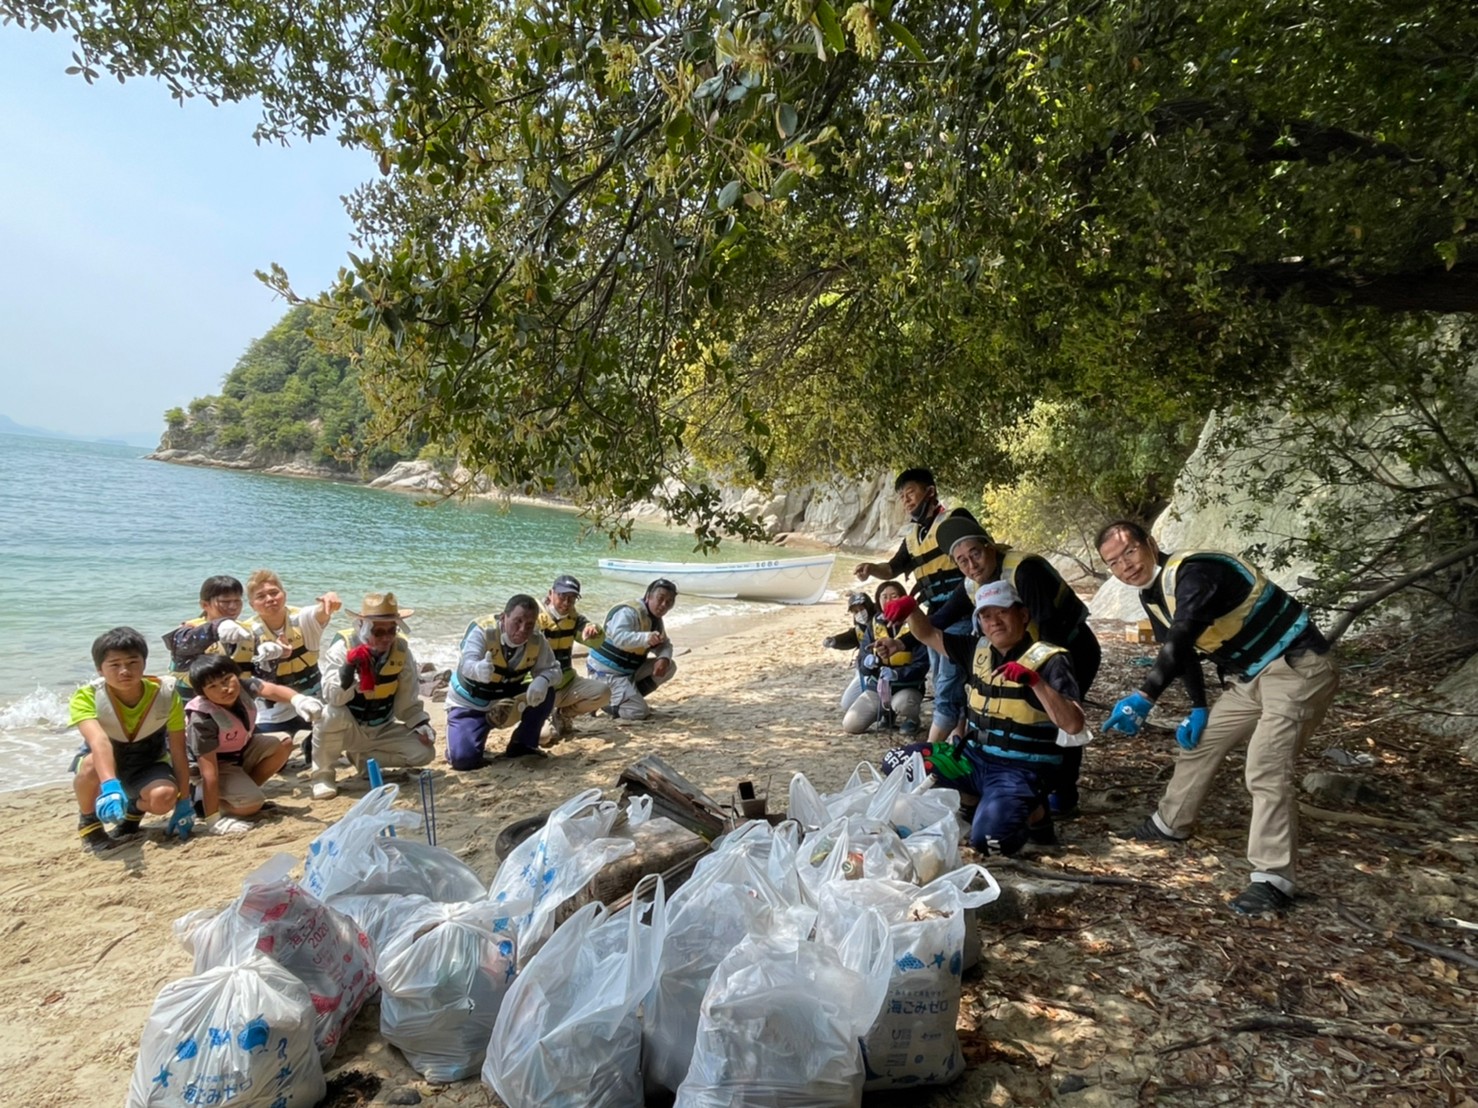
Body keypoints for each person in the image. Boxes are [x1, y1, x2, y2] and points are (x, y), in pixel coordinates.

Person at [1096, 519, 1340, 916]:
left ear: (1150, 544)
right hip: (1250, 678)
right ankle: (1169, 823)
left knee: (1265, 766)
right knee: (1201, 741)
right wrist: (1198, 706)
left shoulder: (1196, 573)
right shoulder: (1153, 595)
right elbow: (1183, 654)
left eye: (1129, 552)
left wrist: (1145, 696)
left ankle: (1273, 879)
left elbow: (1182, 636)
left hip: (1297, 668)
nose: (1125, 565)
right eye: (1114, 562)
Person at [883, 580, 1087, 855]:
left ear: (1023, 615)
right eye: (986, 615)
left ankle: (1036, 814)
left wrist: (1036, 682)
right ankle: (973, 799)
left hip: (1021, 768)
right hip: (973, 758)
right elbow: (928, 634)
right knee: (896, 762)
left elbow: (1073, 724)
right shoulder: (976, 649)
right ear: (979, 621)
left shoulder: (1050, 659)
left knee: (988, 842)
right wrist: (912, 609)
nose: (995, 622)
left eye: (1002, 612)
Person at [928, 515, 1101, 817]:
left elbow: (1048, 629)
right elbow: (941, 619)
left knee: (1061, 714)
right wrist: (900, 641)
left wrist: (1042, 669)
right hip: (1026, 651)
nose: (972, 565)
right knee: (1021, 712)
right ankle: (1018, 778)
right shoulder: (972, 583)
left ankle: (1063, 791)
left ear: (990, 547)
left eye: (975, 554)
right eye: (962, 561)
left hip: (1070, 647)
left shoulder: (1024, 571)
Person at [853, 468, 980, 744]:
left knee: (947, 682)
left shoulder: (954, 521)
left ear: (930, 492)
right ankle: (958, 737)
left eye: (910, 493)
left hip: (962, 614)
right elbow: (893, 568)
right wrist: (872, 569)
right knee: (946, 678)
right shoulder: (913, 535)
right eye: (902, 496)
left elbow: (980, 559)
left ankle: (932, 748)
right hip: (933, 617)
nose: (906, 500)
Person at [69, 627, 194, 851]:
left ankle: (132, 813)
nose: (124, 671)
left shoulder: (165, 694)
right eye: (114, 665)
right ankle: (89, 825)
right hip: (105, 762)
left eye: (132, 662)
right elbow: (99, 741)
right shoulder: (87, 696)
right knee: (90, 764)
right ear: (99, 669)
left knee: (164, 797)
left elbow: (178, 750)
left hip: (147, 762)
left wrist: (184, 800)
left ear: (144, 663)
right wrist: (109, 785)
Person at [313, 592, 436, 799]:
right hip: (349, 728)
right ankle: (323, 776)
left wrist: (421, 724)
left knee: (424, 753)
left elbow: (407, 702)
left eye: (391, 630)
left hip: (381, 728)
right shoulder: (343, 648)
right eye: (379, 632)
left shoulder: (401, 651)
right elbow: (332, 697)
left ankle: (364, 759)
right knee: (329, 715)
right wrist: (350, 674)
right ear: (362, 626)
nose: (386, 638)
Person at [184, 654, 321, 830]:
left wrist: (299, 700)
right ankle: (202, 802)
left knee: (284, 743)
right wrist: (213, 821)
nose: (224, 688)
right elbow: (209, 773)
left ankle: (241, 792)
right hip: (213, 764)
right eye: (213, 686)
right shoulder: (202, 719)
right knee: (252, 804)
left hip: (239, 751)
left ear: (237, 675)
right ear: (203, 694)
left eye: (227, 679)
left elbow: (271, 689)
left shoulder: (244, 687)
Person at [446, 594, 563, 766]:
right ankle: (473, 731)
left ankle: (522, 744)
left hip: (507, 700)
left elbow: (555, 670)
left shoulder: (537, 640)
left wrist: (544, 679)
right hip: (471, 703)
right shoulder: (482, 631)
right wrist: (478, 669)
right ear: (503, 617)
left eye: (529, 624)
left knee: (547, 692)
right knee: (464, 760)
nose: (522, 629)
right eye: (518, 621)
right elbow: (467, 663)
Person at [242, 570, 341, 767]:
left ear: (284, 595)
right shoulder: (246, 632)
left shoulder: (302, 619)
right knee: (273, 761)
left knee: (334, 730)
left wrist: (329, 601)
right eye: (261, 596)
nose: (270, 599)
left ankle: (310, 742)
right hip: (274, 708)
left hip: (312, 700)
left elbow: (320, 612)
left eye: (274, 593)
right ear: (252, 605)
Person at [823, 583, 927, 734]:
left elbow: (923, 665)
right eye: (884, 597)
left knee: (902, 703)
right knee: (851, 725)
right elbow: (862, 657)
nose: (889, 601)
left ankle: (912, 720)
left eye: (894, 596)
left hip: (906, 686)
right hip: (878, 688)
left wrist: (897, 674)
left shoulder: (915, 624)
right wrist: (867, 663)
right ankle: (887, 714)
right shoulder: (873, 624)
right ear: (878, 600)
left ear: (903, 599)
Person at [587, 578, 678, 720]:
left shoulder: (655, 620)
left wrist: (663, 658)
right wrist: (645, 638)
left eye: (669, 602)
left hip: (628, 672)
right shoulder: (629, 612)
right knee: (639, 712)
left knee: (669, 666)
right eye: (660, 599)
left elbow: (665, 644)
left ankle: (627, 697)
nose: (664, 605)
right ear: (648, 596)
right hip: (606, 673)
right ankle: (603, 702)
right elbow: (618, 638)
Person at [536, 575, 612, 742]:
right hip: (539, 688)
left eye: (571, 598)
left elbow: (596, 641)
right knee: (544, 737)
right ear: (551, 593)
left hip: (566, 683)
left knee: (603, 693)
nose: (566, 603)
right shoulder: (534, 617)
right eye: (562, 596)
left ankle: (563, 714)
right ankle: (537, 716)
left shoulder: (574, 618)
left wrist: (594, 630)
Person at [161, 575, 256, 697]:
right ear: (205, 605)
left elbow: (255, 669)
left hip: (234, 699)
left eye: (237, 601)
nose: (233, 607)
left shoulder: (246, 630)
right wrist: (217, 626)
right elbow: (180, 644)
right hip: (193, 700)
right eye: (225, 602)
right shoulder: (189, 631)